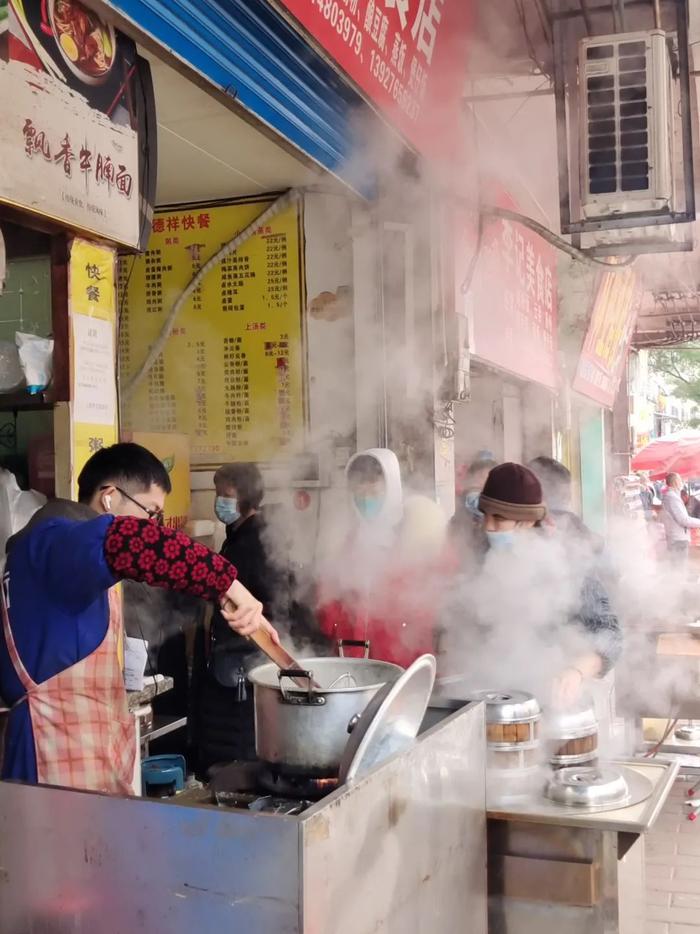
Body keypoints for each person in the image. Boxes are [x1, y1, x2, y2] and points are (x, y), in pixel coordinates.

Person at [0, 443, 276, 792]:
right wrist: (230, 586)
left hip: (77, 748)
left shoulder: (65, 552)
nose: (153, 526)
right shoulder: (59, 542)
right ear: (110, 497)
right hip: (52, 754)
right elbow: (133, 541)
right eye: (151, 513)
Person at [439, 462, 622, 708]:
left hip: (553, 699)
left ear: (525, 521)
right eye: (486, 516)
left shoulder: (567, 559)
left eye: (499, 519)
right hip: (488, 694)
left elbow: (610, 634)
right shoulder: (480, 555)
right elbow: (459, 620)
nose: (488, 527)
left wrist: (576, 671)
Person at [193, 462, 302, 774]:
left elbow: (276, 603)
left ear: (247, 497)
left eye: (225, 494)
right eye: (217, 493)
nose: (219, 501)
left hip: (245, 665)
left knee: (239, 748)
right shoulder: (237, 535)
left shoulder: (256, 542)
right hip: (233, 662)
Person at [317, 448, 446, 669]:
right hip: (351, 656)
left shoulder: (417, 534)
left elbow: (435, 598)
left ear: (392, 486)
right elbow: (327, 593)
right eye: (359, 487)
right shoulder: (345, 539)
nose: (366, 495)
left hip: (401, 655)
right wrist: (335, 625)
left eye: (374, 486)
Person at [661, 472, 700, 560]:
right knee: (679, 569)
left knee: (678, 569)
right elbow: (683, 520)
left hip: (677, 538)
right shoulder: (672, 498)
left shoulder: (672, 496)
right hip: (678, 540)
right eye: (680, 480)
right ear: (676, 482)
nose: (682, 482)